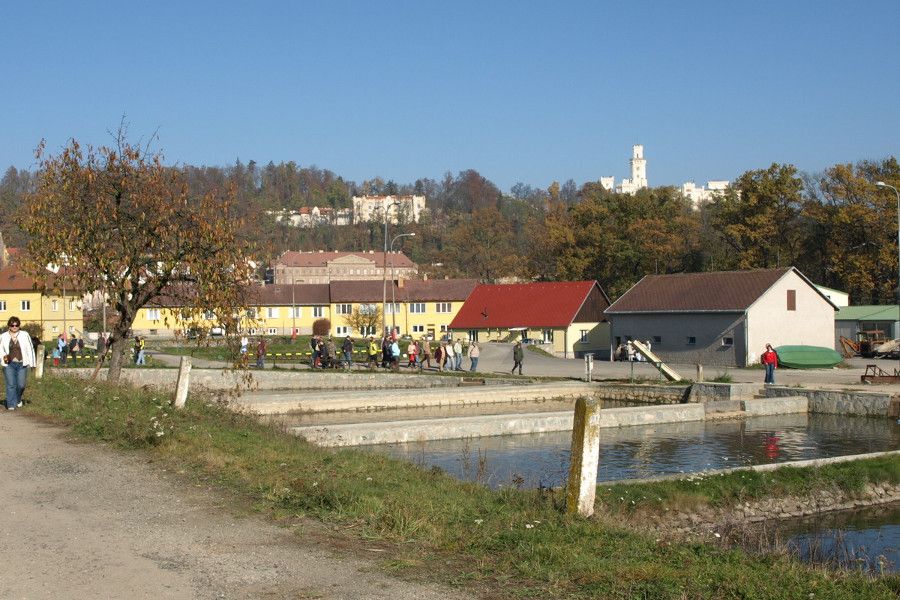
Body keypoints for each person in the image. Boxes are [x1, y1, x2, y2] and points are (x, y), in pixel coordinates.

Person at [1, 317, 36, 410]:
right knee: (11, 384)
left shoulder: (25, 334)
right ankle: (11, 404)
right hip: (9, 364)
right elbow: (0, 350)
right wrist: (3, 360)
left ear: (19, 325)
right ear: (9, 326)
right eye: (12, 325)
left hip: (22, 364)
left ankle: (18, 398)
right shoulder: (3, 336)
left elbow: (30, 348)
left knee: (21, 385)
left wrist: (33, 364)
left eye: (16, 325)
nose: (14, 327)